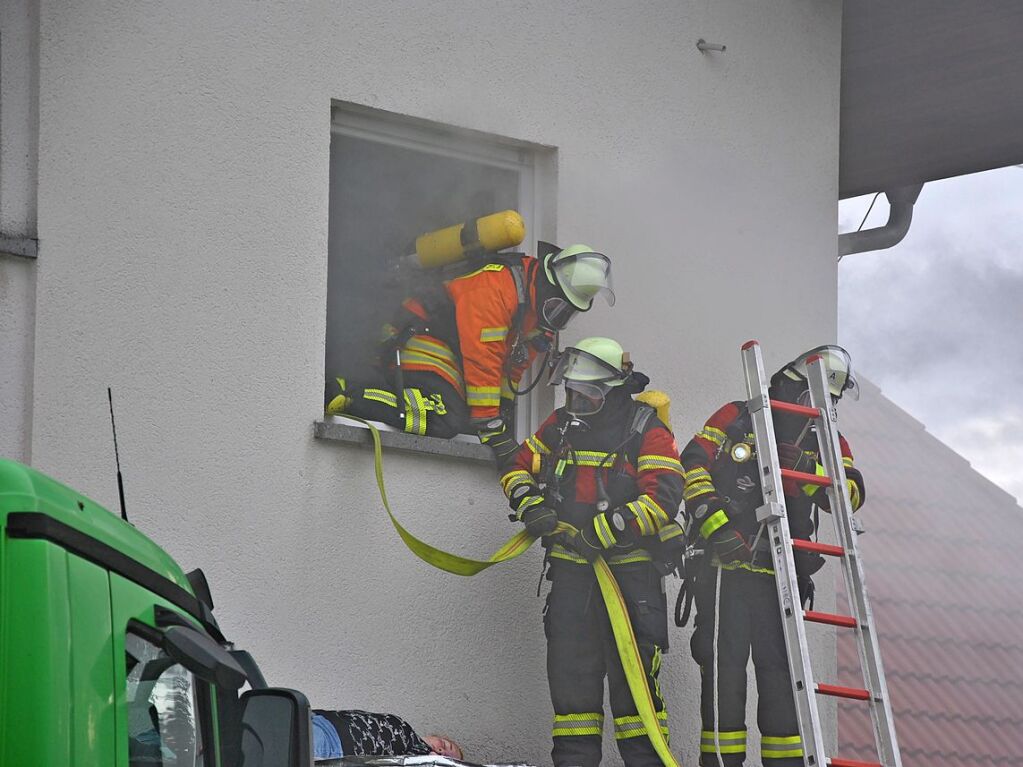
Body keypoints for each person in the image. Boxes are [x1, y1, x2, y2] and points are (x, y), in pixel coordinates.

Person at [498, 337, 685, 767]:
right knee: (573, 698)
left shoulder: (646, 430)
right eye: (573, 392)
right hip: (572, 580)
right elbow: (516, 465)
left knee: (636, 699)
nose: (577, 401)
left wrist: (603, 530)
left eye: (588, 394)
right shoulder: (560, 425)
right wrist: (531, 505)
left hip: (630, 583)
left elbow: (663, 499)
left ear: (613, 388)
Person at [678, 345, 866, 767]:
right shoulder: (737, 417)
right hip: (726, 570)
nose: (821, 407)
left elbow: (849, 496)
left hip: (782, 576)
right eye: (817, 397)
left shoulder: (828, 440)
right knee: (723, 676)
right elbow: (692, 464)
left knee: (783, 681)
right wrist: (717, 528)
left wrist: (811, 470)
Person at [326, 244, 614, 461]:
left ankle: (360, 393)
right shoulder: (497, 287)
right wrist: (490, 423)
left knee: (457, 415)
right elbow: (482, 356)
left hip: (449, 353)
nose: (558, 315)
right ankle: (352, 394)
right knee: (447, 418)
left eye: (567, 312)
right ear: (547, 282)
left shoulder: (535, 310)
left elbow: (512, 366)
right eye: (559, 305)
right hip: (421, 337)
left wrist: (503, 412)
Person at [311, 708, 463, 762]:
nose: (441, 751)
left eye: (445, 758)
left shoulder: (416, 756)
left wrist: (429, 758)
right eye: (444, 745)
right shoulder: (407, 732)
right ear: (435, 736)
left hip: (333, 748)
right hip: (321, 721)